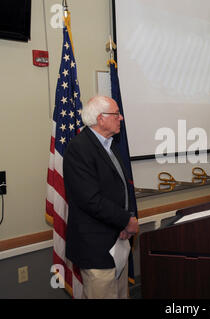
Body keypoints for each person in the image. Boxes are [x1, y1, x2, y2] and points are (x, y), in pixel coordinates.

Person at [63, 95, 139, 299]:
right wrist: (126, 220)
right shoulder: (79, 148)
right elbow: (91, 200)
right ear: (101, 118)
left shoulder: (111, 145)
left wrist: (125, 222)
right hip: (96, 247)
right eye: (116, 114)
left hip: (118, 241)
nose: (121, 118)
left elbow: (123, 188)